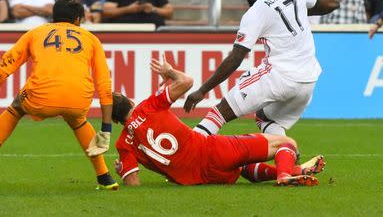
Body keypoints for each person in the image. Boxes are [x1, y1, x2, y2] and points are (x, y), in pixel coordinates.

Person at [113, 55, 326, 186]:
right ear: (130, 100)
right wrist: (169, 72)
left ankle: (297, 172)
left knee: (242, 168)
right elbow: (186, 81)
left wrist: (121, 172)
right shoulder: (148, 107)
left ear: (114, 121)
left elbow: (133, 182)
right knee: (287, 143)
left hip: (198, 179)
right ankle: (285, 175)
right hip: (210, 151)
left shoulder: (123, 144)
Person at [183, 0, 339, 136]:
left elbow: (235, 58)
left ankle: (186, 153)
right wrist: (300, 10)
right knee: (265, 119)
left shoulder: (256, 11)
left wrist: (202, 91)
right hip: (308, 81)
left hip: (280, 77)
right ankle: (288, 154)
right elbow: (332, 3)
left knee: (219, 113)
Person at [0, 0, 118, 190]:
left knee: (16, 107)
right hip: (78, 100)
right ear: (78, 20)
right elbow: (104, 85)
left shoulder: (35, 33)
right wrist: (106, 129)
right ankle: (105, 176)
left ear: (53, 17)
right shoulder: (91, 39)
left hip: (39, 98)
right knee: (78, 120)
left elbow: (5, 66)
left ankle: (104, 176)